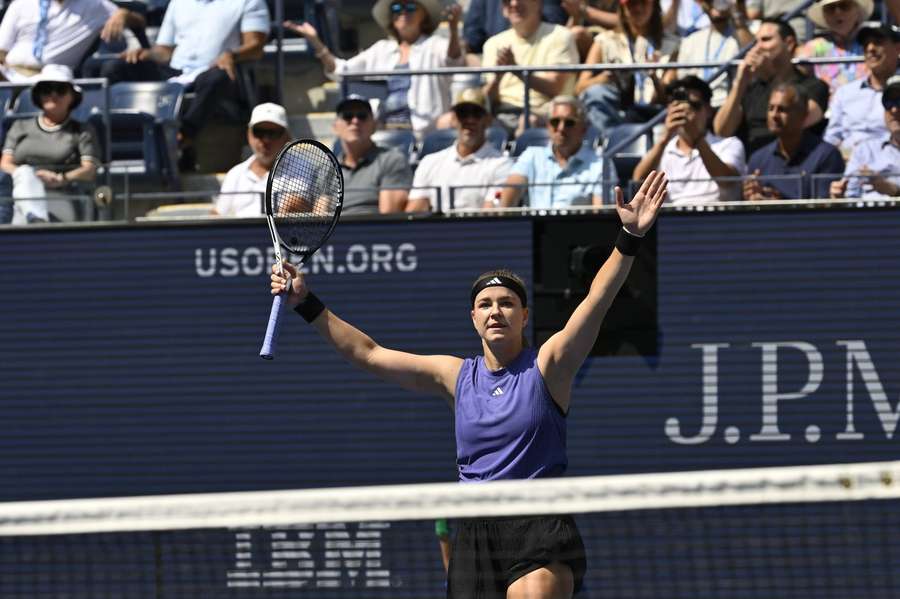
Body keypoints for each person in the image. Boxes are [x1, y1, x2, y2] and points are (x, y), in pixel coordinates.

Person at [269, 169, 668, 599]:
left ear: (525, 316)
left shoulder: (550, 365)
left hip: (537, 523)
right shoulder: (455, 375)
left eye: (508, 303)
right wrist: (305, 304)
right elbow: (369, 353)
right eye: (485, 304)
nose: (497, 311)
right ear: (474, 319)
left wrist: (628, 237)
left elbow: (596, 300)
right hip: (474, 529)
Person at [86, 0, 270, 159]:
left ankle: (184, 135)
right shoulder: (179, 2)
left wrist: (231, 55)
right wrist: (146, 54)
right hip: (176, 70)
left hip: (217, 70)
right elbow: (164, 51)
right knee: (115, 68)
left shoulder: (248, 1)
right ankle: (117, 137)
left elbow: (256, 46)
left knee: (217, 77)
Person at [287, 0, 462, 139]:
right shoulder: (381, 49)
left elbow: (453, 60)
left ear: (423, 15)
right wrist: (316, 41)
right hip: (383, 131)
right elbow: (342, 71)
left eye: (410, 7)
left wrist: (453, 30)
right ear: (391, 17)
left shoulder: (437, 45)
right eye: (396, 7)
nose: (403, 12)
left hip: (426, 133)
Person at [713, 18, 829, 156]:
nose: (757, 48)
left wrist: (771, 77)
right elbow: (722, 130)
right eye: (756, 42)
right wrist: (740, 82)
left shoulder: (813, 85)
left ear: (789, 43)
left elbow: (803, 119)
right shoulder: (751, 89)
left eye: (766, 40)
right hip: (755, 166)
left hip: (797, 162)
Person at [0, 64, 99, 224]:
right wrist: (30, 177)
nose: (53, 95)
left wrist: (61, 178)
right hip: (19, 195)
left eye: (60, 89)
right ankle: (36, 218)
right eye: (46, 89)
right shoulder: (20, 126)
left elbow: (89, 170)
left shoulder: (82, 130)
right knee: (25, 174)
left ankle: (36, 219)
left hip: (62, 195)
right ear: (38, 95)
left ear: (72, 96)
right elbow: (5, 163)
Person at [633, 76, 745, 203]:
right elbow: (638, 181)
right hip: (672, 220)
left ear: (708, 110)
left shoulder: (729, 144)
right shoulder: (663, 150)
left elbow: (727, 181)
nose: (687, 110)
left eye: (695, 105)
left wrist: (697, 137)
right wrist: (665, 137)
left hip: (717, 219)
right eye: (677, 105)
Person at [576, 0, 680, 134]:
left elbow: (668, 98)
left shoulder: (672, 45)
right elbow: (580, 88)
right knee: (595, 93)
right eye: (631, 4)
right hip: (618, 111)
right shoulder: (605, 41)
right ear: (622, 8)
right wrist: (605, 77)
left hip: (658, 113)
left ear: (654, 5)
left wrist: (653, 77)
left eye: (644, 3)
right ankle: (612, 141)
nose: (638, 8)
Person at [481, 0, 580, 136]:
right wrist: (497, 78)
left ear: (539, 3)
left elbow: (554, 87)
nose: (514, 4)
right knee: (450, 121)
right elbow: (487, 99)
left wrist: (516, 70)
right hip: (500, 113)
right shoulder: (493, 44)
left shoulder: (560, 36)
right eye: (507, 1)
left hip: (542, 114)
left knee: (527, 121)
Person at [498, 95, 615, 208]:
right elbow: (507, 202)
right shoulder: (531, 155)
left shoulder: (601, 165)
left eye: (569, 122)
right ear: (548, 126)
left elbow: (600, 214)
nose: (561, 128)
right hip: (535, 227)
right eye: (555, 121)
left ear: (583, 128)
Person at [406, 88, 512, 212]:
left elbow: (490, 217)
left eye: (476, 114)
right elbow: (414, 213)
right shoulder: (429, 162)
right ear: (454, 119)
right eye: (463, 113)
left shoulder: (502, 165)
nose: (470, 120)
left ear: (488, 120)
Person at [743, 83, 844, 201]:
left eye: (782, 109)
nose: (774, 115)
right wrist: (751, 198)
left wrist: (779, 203)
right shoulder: (758, 159)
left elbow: (825, 210)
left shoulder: (826, 156)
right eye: (770, 108)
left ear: (803, 115)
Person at [0, 0, 145, 81]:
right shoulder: (21, 4)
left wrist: (123, 14)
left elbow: (140, 22)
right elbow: (1, 50)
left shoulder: (95, 5)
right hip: (9, 72)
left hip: (52, 78)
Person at [823, 24, 900, 159]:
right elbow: (831, 138)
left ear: (897, 48)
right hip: (848, 167)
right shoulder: (845, 93)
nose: (870, 49)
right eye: (865, 44)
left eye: (878, 42)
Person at [333, 94, 412, 215]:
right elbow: (321, 218)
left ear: (374, 125)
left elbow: (388, 217)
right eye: (347, 116)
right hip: (335, 233)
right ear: (335, 127)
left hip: (373, 232)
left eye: (362, 116)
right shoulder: (326, 168)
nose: (355, 121)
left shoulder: (392, 160)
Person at [213, 103, 291, 218]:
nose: (266, 140)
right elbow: (218, 214)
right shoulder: (235, 174)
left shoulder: (304, 169)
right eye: (258, 132)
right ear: (249, 135)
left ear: (286, 136)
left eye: (273, 133)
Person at [830, 74, 900, 199]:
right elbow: (848, 196)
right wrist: (838, 195)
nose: (894, 110)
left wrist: (895, 192)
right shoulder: (865, 151)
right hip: (862, 217)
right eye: (888, 102)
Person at [676, 0, 753, 107]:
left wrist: (735, 13)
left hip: (729, 106)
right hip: (697, 108)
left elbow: (753, 54)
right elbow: (683, 83)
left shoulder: (743, 33)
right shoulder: (690, 41)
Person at [796, 0, 872, 97]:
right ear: (824, 16)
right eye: (830, 8)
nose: (837, 12)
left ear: (857, 11)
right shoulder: (813, 47)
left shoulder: (873, 44)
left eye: (844, 5)